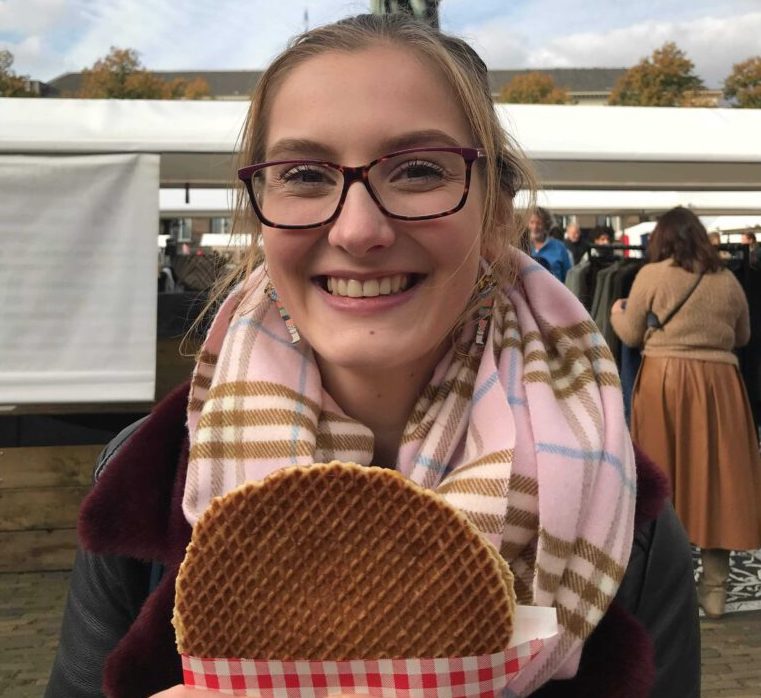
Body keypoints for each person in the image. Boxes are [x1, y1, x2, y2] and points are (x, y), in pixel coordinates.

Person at [46, 14, 699, 698]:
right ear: (260, 209)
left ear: (495, 210)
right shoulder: (145, 475)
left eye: (418, 170)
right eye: (303, 174)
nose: (358, 230)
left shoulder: (622, 516)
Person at [610, 206, 761, 620]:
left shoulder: (651, 276)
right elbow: (743, 335)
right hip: (721, 386)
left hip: (665, 383)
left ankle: (660, 589)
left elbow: (632, 333)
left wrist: (616, 313)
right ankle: (714, 591)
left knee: (662, 482)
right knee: (720, 480)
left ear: (661, 239)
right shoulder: (728, 280)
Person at [528, 207, 571, 282]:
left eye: (539, 223)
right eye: (532, 222)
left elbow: (569, 277)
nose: (535, 227)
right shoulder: (523, 246)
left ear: (546, 225)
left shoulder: (559, 247)